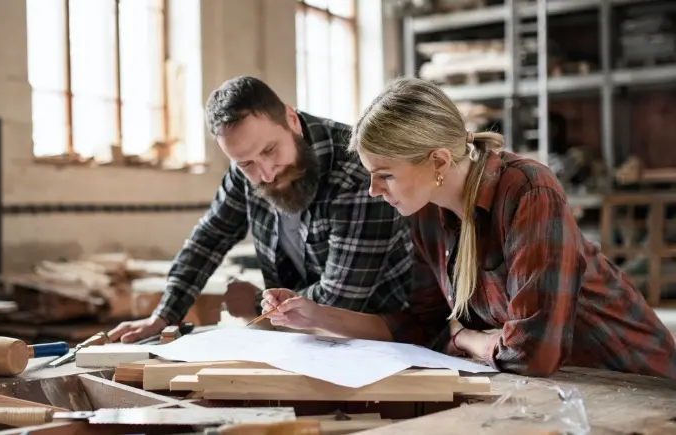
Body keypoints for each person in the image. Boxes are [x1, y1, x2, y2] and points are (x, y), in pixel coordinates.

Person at [260, 77, 676, 379]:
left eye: (384, 175)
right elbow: (423, 326)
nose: (373, 190)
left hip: (631, 376)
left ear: (439, 161)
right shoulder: (425, 213)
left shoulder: (528, 188)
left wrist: (470, 341)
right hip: (566, 385)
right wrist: (313, 314)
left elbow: (534, 354)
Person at [107, 76, 413, 343]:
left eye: (270, 150)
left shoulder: (356, 170)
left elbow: (339, 303)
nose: (266, 174)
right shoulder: (245, 172)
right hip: (303, 336)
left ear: (292, 120)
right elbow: (209, 238)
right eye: (246, 163)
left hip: (387, 340)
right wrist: (164, 315)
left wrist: (256, 305)